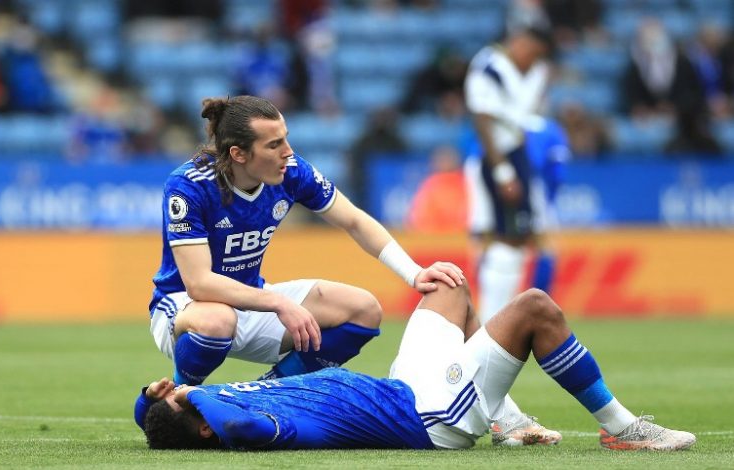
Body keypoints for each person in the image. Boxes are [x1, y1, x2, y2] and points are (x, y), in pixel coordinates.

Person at [134, 279, 696, 452]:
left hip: (403, 388)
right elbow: (241, 427)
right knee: (535, 308)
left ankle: (507, 420)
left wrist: (151, 398)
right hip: (430, 417)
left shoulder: (209, 409)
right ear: (202, 424)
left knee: (448, 284)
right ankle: (622, 428)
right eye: (182, 403)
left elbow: (152, 424)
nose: (183, 392)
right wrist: (193, 394)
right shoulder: (244, 424)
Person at [148, 95, 465, 394]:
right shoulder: (189, 185)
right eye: (274, 144)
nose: (288, 151)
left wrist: (414, 273)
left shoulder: (291, 171)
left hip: (252, 299)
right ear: (239, 154)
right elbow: (200, 283)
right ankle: (176, 395)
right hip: (185, 307)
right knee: (218, 320)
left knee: (363, 309)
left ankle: (265, 395)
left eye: (285, 138)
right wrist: (278, 303)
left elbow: (354, 221)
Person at [463, 21, 556, 435]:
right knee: (507, 236)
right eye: (531, 51)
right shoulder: (490, 66)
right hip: (499, 157)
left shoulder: (526, 71)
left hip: (516, 151)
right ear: (519, 41)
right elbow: (482, 118)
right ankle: (488, 326)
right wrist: (502, 169)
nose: (531, 60)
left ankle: (493, 323)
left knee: (519, 238)